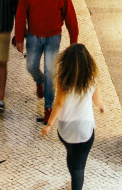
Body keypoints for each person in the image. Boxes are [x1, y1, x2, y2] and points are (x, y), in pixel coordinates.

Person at [15, 0, 81, 124]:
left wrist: (74, 43)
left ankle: (48, 108)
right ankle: (40, 82)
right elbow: (21, 14)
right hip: (34, 37)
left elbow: (71, 18)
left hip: (53, 37)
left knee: (50, 72)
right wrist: (19, 36)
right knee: (31, 66)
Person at [41, 43, 105, 190]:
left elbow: (59, 103)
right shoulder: (92, 78)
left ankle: (74, 181)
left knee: (71, 154)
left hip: (66, 129)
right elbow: (97, 100)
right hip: (85, 129)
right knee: (79, 167)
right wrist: (102, 107)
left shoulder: (64, 80)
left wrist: (49, 125)